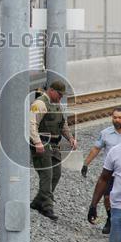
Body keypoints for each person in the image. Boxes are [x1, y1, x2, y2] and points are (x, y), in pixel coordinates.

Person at [28, 81, 77, 221]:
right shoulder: (39, 104)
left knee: (56, 174)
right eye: (59, 94)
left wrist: (70, 138)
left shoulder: (56, 105)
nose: (60, 97)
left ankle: (38, 202)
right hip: (43, 144)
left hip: (54, 145)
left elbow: (63, 124)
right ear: (51, 90)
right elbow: (31, 124)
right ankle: (46, 207)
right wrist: (37, 142)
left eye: (62, 95)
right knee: (47, 175)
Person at [81, 108, 121, 234]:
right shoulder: (105, 133)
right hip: (110, 172)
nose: (117, 120)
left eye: (119, 117)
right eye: (114, 117)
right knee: (107, 197)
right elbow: (96, 148)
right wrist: (86, 163)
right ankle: (110, 218)